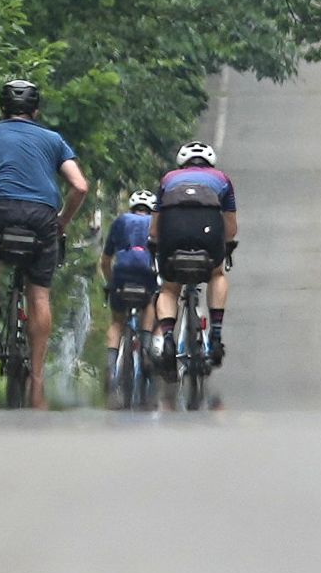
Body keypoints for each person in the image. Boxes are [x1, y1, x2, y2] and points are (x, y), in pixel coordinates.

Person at [0, 77, 88, 409]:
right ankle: (37, 379)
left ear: (1, 108)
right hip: (41, 217)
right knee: (39, 293)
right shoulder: (53, 140)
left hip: (0, 208)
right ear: (36, 110)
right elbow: (79, 186)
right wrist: (61, 222)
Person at [149, 142, 237, 375]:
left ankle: (168, 338)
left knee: (169, 289)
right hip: (208, 238)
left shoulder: (168, 180)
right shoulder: (222, 179)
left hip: (173, 237)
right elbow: (231, 228)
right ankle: (216, 336)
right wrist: (226, 247)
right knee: (217, 274)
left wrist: (155, 246)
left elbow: (155, 230)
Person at [100, 188, 158, 390]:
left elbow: (105, 261)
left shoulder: (120, 221)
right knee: (149, 302)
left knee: (117, 322)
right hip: (145, 276)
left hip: (122, 275)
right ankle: (145, 345)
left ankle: (110, 366)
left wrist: (111, 283)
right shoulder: (156, 224)